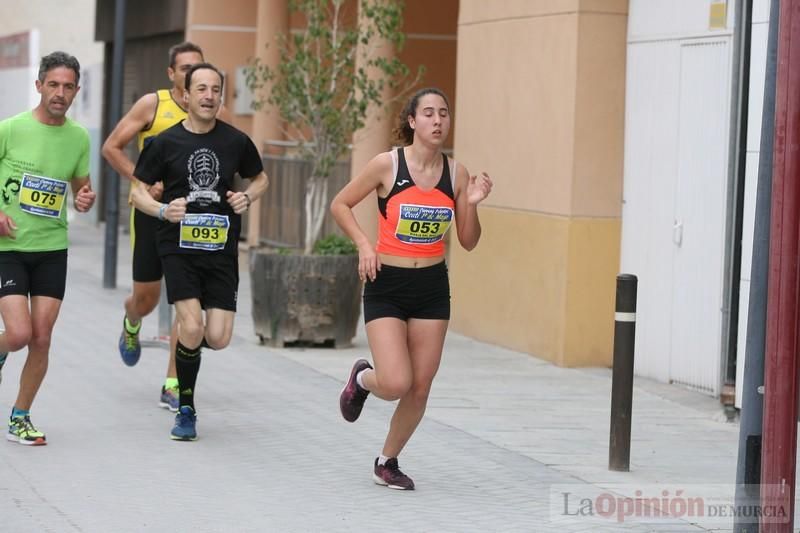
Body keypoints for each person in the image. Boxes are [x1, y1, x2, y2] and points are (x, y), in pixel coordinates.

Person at [331, 87, 493, 489]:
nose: (438, 121)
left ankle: (387, 461)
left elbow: (469, 241)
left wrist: (470, 203)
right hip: (387, 282)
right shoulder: (387, 164)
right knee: (395, 381)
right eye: (429, 114)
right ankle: (364, 379)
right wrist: (365, 245)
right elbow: (340, 204)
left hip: (432, 286)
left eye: (444, 114)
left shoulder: (456, 174)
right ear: (412, 121)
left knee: (420, 385)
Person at [130, 63, 268, 441]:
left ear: (221, 97)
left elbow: (260, 178)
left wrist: (246, 197)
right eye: (201, 89)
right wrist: (161, 210)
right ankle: (186, 409)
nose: (209, 96)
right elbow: (136, 191)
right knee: (191, 326)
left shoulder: (236, 141)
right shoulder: (164, 143)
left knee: (219, 337)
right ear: (186, 96)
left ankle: (188, 347)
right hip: (178, 248)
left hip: (221, 250)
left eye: (216, 90)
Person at [102, 42, 231, 412]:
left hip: (191, 220)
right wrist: (142, 181)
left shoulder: (211, 111)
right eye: (186, 69)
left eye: (199, 68)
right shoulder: (152, 105)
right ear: (172, 74)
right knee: (146, 298)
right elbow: (112, 146)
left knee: (186, 300)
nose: (194, 76)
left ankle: (173, 381)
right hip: (150, 212)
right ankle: (131, 321)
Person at [0, 51, 96, 445]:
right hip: (8, 247)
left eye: (68, 86)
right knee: (20, 334)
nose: (60, 93)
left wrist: (85, 198)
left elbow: (81, 186)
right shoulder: (10, 129)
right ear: (39, 85)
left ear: (76, 90)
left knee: (42, 337)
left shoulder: (78, 137)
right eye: (53, 84)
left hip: (52, 249)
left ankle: (20, 416)